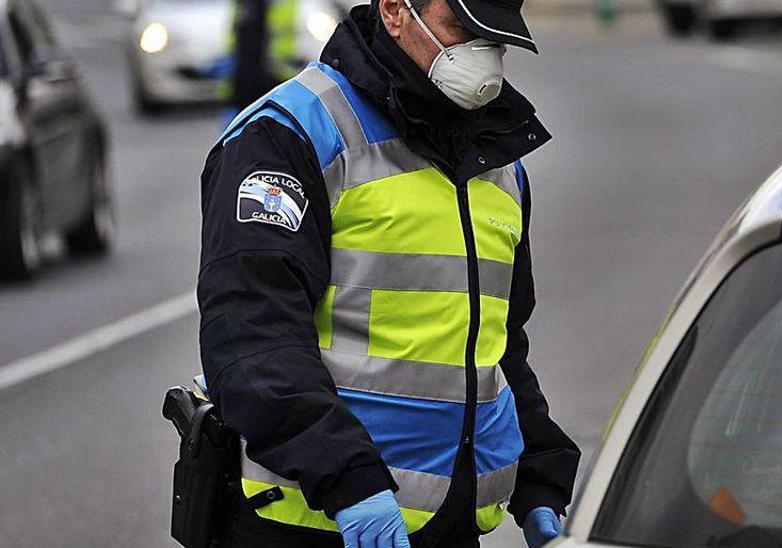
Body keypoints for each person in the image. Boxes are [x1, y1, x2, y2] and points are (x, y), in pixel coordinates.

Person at [195, 0, 580, 546]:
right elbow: (253, 339)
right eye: (461, 31)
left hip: (445, 525)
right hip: (317, 523)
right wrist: (348, 481)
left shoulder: (496, 162)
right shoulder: (290, 136)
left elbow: (494, 346)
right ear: (396, 10)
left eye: (495, 40)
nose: (483, 58)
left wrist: (540, 474)